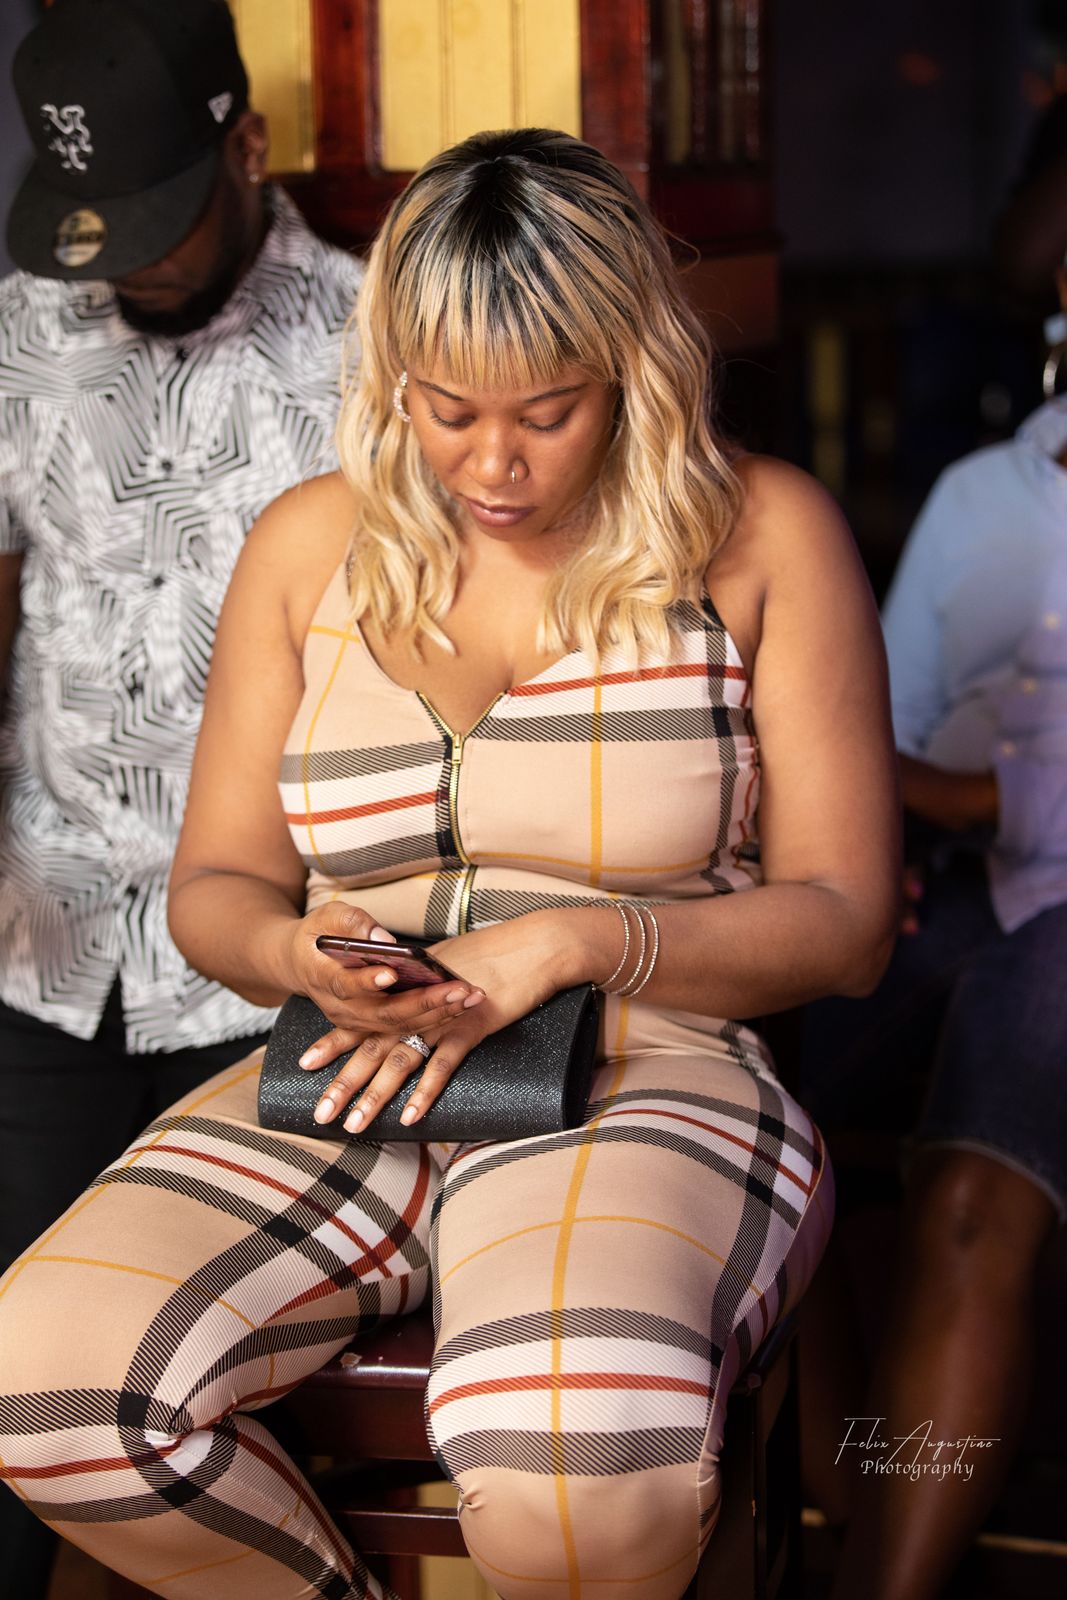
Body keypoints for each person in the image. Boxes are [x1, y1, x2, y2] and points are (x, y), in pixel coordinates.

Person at [0, 128, 897, 1600]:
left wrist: (580, 941)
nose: (493, 463)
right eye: (446, 407)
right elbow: (217, 889)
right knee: (48, 1389)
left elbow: (850, 925)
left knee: (573, 1452)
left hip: (647, 1068)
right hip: (347, 1078)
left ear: (634, 370)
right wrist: (295, 954)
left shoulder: (764, 538)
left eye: (550, 410)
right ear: (391, 377)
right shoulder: (309, 549)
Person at [0, 2, 362, 1594]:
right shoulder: (21, 332)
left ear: (249, 148)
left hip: (275, 966)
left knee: (197, 1405)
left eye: (158, 220)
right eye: (97, 230)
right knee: (11, 1396)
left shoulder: (376, 349)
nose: (128, 267)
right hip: (45, 938)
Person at [800, 259, 1067, 1600]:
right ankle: (842, 1506)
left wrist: (956, 795)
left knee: (968, 1198)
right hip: (960, 884)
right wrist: (880, 839)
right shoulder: (977, 497)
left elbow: (931, 770)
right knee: (766, 1126)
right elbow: (883, 722)